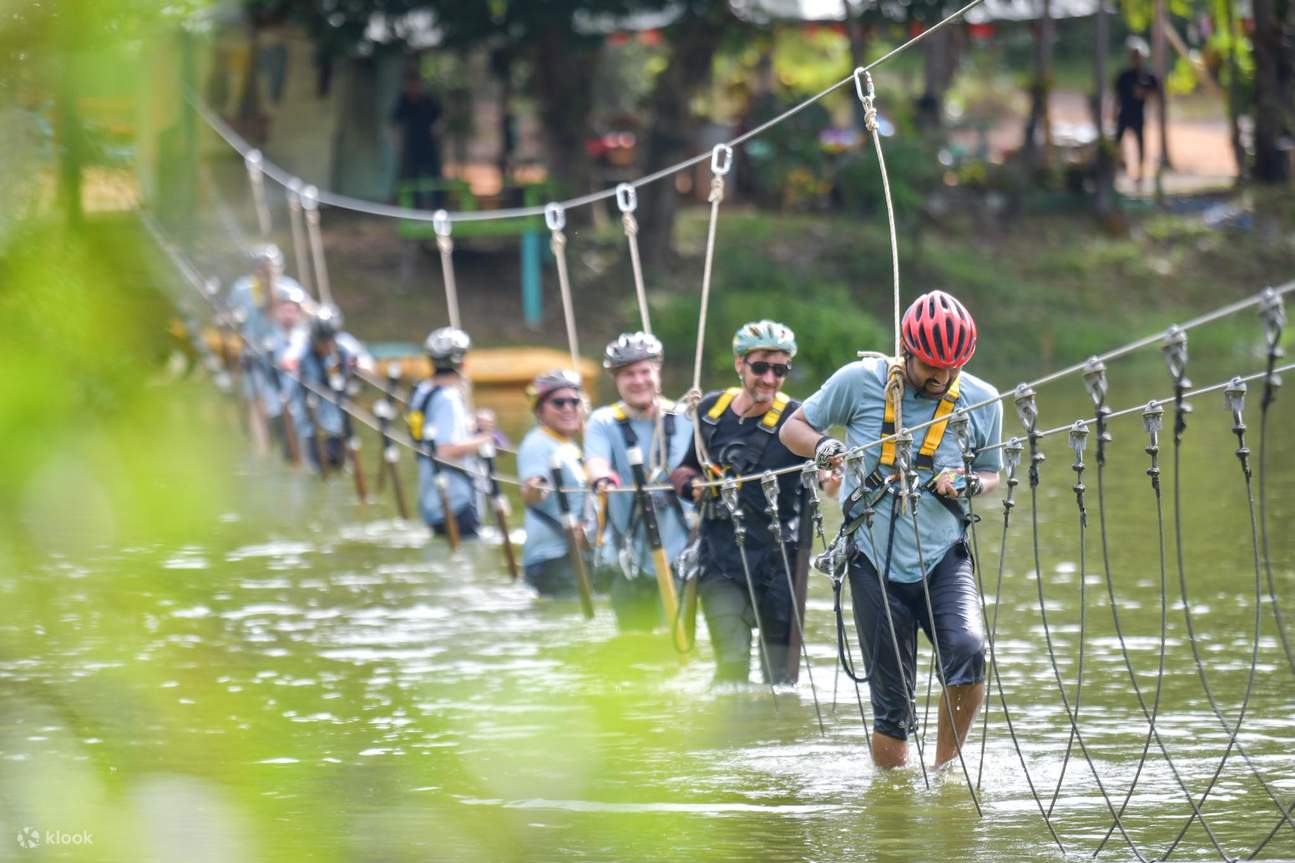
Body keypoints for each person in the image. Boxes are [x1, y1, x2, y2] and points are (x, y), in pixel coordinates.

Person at [780, 290, 1002, 769]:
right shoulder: (858, 382)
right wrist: (823, 448)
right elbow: (791, 427)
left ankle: (944, 775)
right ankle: (891, 798)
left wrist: (967, 483)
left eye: (953, 367)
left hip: (944, 556)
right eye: (930, 365)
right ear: (906, 350)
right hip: (873, 561)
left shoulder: (983, 401)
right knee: (892, 709)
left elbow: (992, 475)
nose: (941, 376)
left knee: (968, 654)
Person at [670, 321, 839, 685]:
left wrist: (831, 477)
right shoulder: (711, 411)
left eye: (780, 370)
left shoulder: (797, 418)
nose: (769, 378)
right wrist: (694, 484)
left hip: (780, 566)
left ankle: (774, 738)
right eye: (760, 367)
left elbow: (824, 462)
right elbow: (682, 469)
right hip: (720, 561)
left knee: (780, 678)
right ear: (739, 364)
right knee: (730, 667)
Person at [584, 332, 694, 630]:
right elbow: (596, 462)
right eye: (628, 374)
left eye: (645, 371)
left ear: (657, 372)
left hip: (684, 558)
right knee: (632, 651)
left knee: (678, 648)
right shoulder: (603, 421)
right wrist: (602, 478)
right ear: (616, 380)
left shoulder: (686, 416)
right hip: (630, 559)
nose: (638, 380)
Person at [407, 326, 493, 539]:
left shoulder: (424, 390)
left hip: (432, 498)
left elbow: (434, 434)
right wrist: (485, 438)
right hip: (456, 500)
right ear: (462, 362)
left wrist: (472, 426)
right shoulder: (448, 399)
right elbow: (445, 450)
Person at [518, 370, 590, 597]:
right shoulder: (538, 443)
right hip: (553, 561)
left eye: (574, 402)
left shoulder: (566, 443)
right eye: (559, 403)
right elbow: (532, 490)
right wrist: (536, 487)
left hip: (573, 557)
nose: (568, 408)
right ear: (540, 410)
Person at [284, 304, 373, 473]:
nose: (325, 345)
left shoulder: (344, 345)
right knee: (315, 469)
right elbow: (290, 356)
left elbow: (367, 364)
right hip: (311, 425)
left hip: (340, 422)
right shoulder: (303, 347)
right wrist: (290, 363)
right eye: (321, 341)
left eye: (328, 341)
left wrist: (358, 366)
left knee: (344, 467)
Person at [391, 70, 443, 208]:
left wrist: (437, 129)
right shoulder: (404, 101)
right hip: (411, 148)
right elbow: (395, 125)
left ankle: (438, 206)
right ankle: (415, 208)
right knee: (412, 180)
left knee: (435, 177)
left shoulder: (429, 100)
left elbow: (441, 119)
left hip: (429, 146)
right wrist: (398, 146)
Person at [1113, 38, 1160, 185]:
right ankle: (1118, 170)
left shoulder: (1149, 76)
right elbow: (1117, 96)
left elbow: (1156, 92)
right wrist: (1113, 112)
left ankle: (1140, 174)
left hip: (1139, 114)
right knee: (1117, 143)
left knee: (1140, 144)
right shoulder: (1124, 76)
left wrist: (1144, 94)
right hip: (1124, 113)